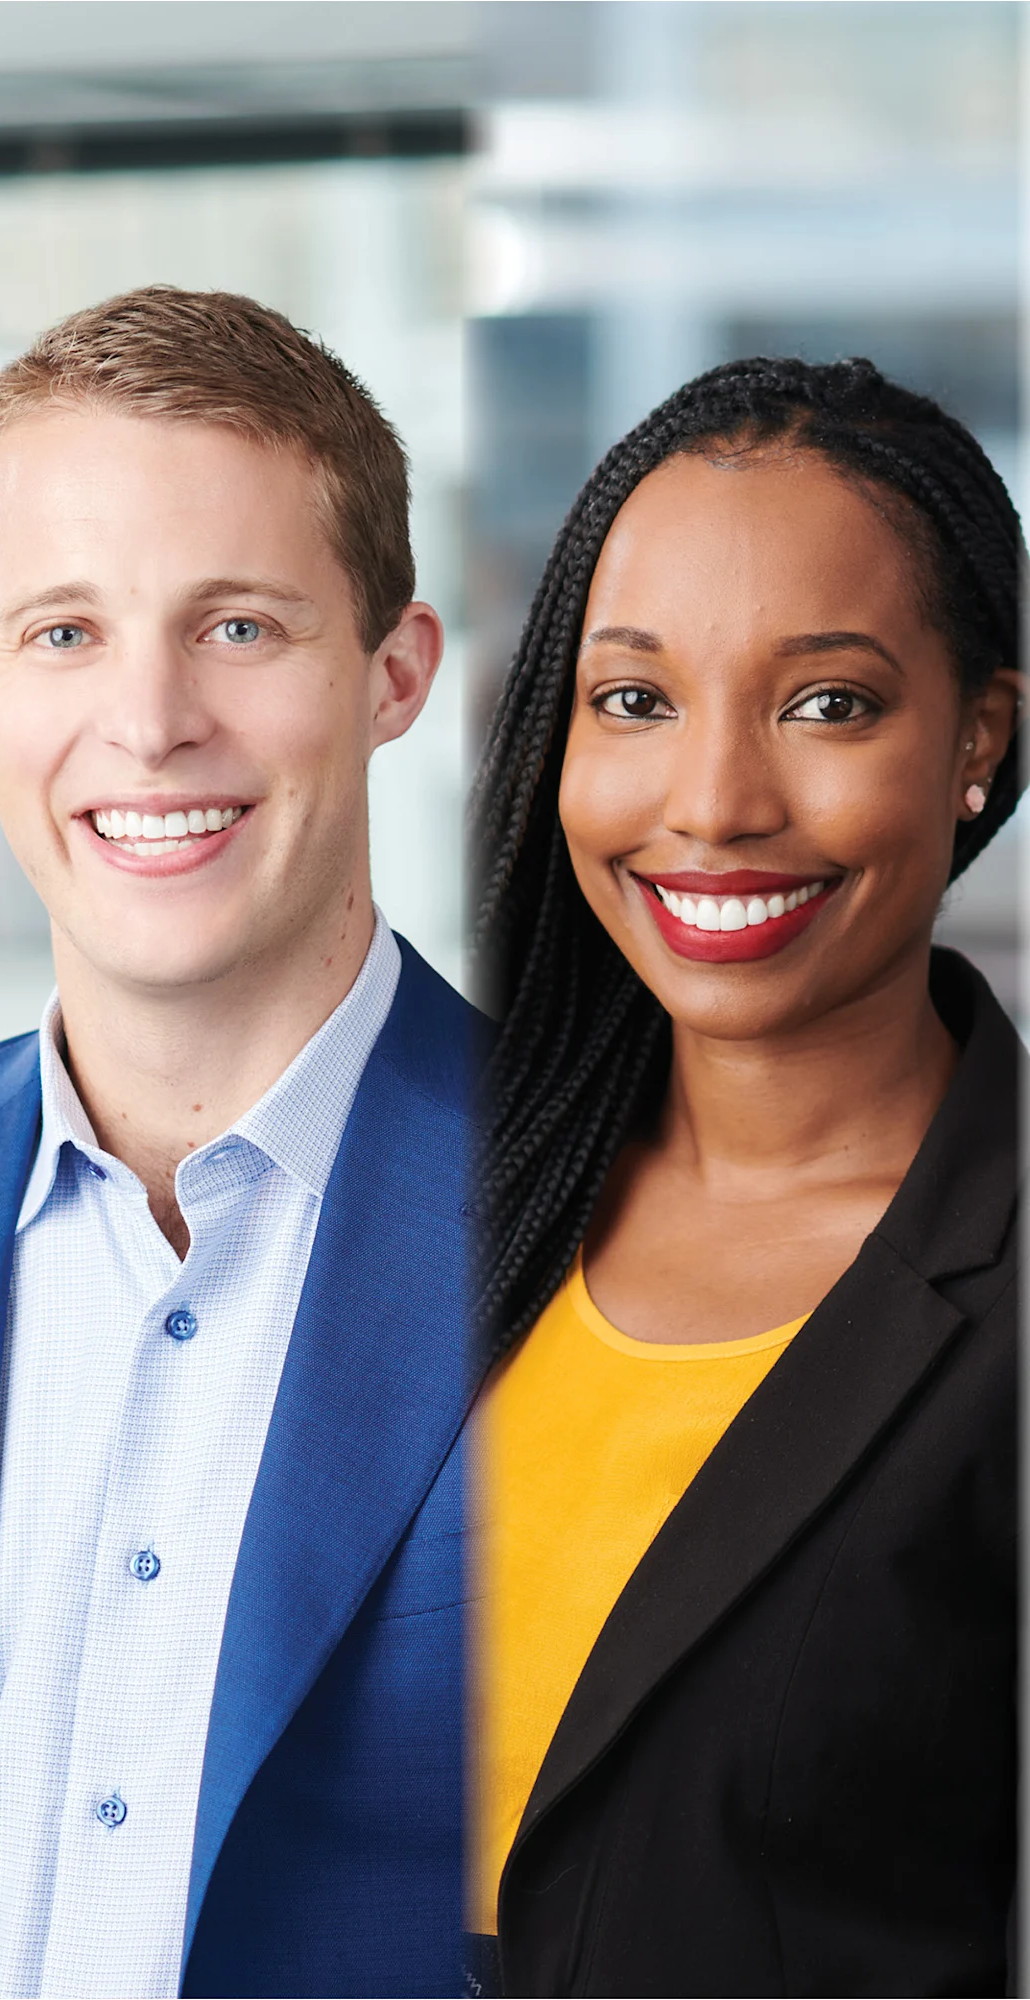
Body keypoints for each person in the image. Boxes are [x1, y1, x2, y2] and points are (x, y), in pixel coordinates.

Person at [0, 287, 472, 1997]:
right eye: (65, 633)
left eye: (238, 628)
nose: (148, 722)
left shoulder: (620, 1202)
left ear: (395, 674)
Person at [469, 358, 1020, 1994]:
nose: (713, 806)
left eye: (827, 702)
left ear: (979, 737)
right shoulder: (437, 1201)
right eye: (636, 700)